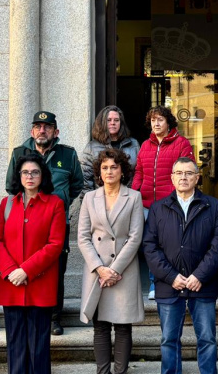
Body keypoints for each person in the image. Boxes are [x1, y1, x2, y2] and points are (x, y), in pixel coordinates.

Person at [142, 157, 218, 374]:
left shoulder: (214, 206)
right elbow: (150, 247)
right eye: (179, 173)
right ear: (171, 178)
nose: (183, 177)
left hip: (203, 285)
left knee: (207, 339)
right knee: (169, 339)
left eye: (189, 173)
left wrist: (199, 275)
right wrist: (171, 276)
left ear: (197, 178)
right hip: (169, 285)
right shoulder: (158, 208)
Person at [5, 111, 83, 336]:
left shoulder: (67, 154)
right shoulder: (20, 153)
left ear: (55, 132)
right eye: (38, 126)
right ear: (32, 131)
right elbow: (12, 186)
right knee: (26, 264)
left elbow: (76, 185)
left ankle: (53, 317)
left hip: (56, 223)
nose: (42, 130)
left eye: (47, 127)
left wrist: (61, 201)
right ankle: (27, 312)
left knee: (56, 269)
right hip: (26, 222)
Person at [0, 153, 66, 374]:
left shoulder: (55, 204)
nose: (29, 176)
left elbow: (55, 244)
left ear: (42, 176)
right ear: (18, 176)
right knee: (15, 342)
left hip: (39, 284)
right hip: (10, 283)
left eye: (35, 172)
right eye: (25, 172)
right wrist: (12, 271)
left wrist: (26, 270)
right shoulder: (7, 203)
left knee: (39, 345)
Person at [77, 149, 145, 374]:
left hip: (123, 271)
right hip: (96, 271)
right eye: (105, 167)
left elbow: (135, 237)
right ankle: (102, 371)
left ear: (122, 171)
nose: (109, 171)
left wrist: (114, 270)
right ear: (99, 171)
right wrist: (100, 268)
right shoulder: (89, 198)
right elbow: (83, 237)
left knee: (123, 326)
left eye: (114, 167)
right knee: (101, 326)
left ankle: (121, 371)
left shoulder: (134, 197)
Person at [131, 105, 195, 299]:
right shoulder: (145, 145)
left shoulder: (181, 143)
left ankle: (174, 282)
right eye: (153, 120)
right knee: (150, 246)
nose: (156, 123)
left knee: (169, 245)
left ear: (168, 123)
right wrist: (134, 194)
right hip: (146, 204)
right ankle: (154, 284)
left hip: (170, 204)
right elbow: (139, 173)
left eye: (160, 120)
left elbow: (188, 172)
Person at [80, 106, 141, 195]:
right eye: (109, 120)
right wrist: (90, 204)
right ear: (102, 123)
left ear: (121, 123)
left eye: (116, 120)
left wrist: (134, 197)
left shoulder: (133, 144)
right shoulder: (91, 148)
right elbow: (85, 180)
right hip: (101, 200)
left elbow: (139, 174)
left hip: (128, 198)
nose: (113, 123)